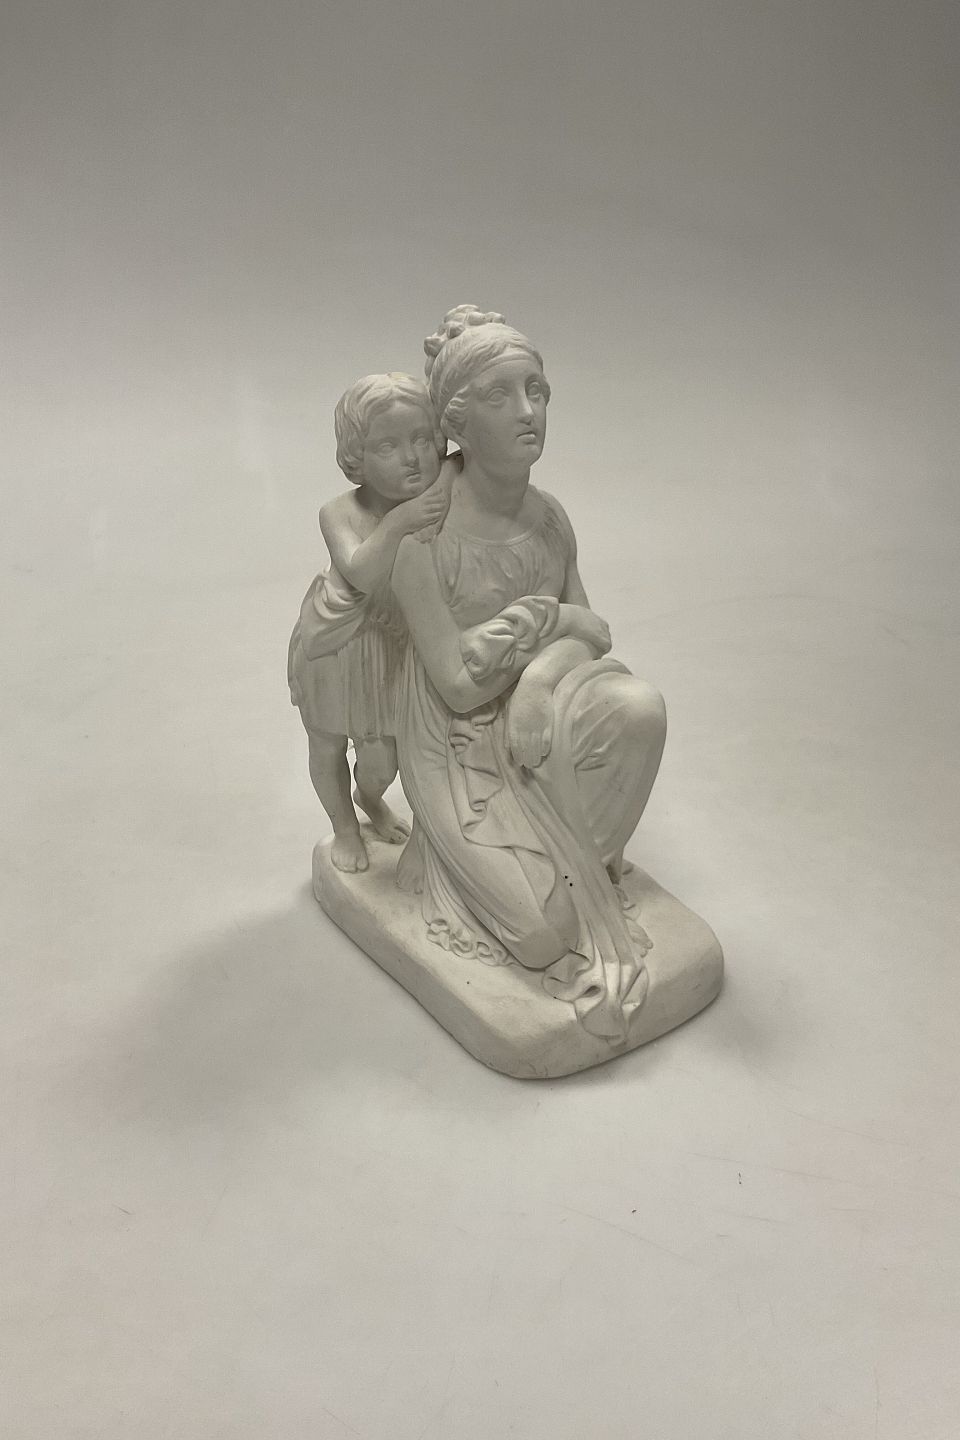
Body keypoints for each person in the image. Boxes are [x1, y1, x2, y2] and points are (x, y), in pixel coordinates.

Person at [390, 308, 667, 1041]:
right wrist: (554, 624)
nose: (527, 412)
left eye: (536, 391)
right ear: (457, 422)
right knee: (544, 937)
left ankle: (570, 867)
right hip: (451, 742)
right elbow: (457, 683)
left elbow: (593, 637)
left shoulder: (549, 520)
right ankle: (531, 878)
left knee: (639, 707)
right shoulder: (423, 535)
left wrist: (539, 683)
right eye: (500, 396)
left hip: (533, 714)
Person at [288, 372, 453, 872]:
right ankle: (345, 828)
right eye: (388, 446)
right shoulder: (339, 512)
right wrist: (401, 521)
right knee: (328, 742)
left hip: (396, 641)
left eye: (422, 439)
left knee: (384, 761)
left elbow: (478, 449)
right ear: (356, 457)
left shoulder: (442, 492)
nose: (412, 457)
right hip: (338, 642)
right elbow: (360, 572)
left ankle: (370, 797)